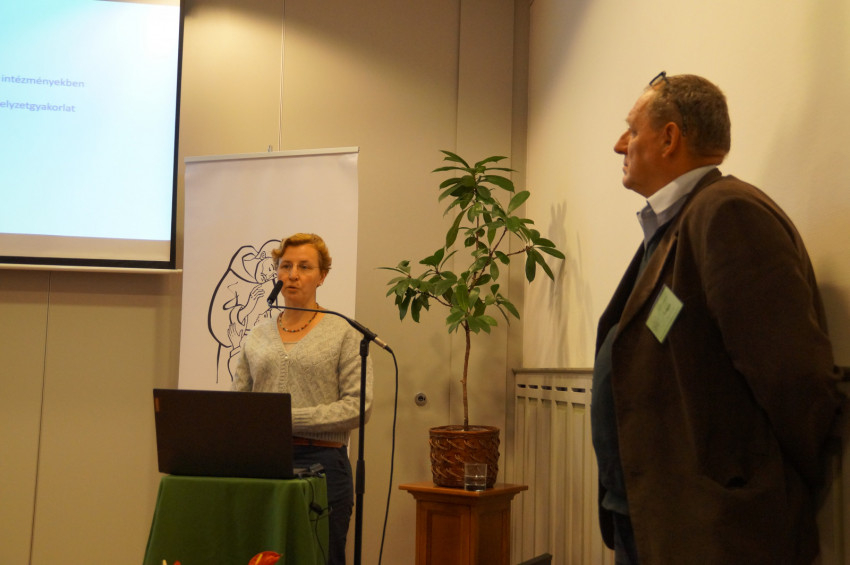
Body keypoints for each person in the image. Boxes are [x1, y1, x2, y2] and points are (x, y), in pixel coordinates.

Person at [591, 72, 845, 564]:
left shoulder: (727, 212)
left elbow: (792, 374)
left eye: (633, 130)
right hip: (655, 516)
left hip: (712, 528)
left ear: (669, 138)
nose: (620, 144)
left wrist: (755, 484)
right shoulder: (679, 221)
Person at [232, 232, 373, 565]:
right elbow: (238, 404)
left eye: (304, 267)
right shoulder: (257, 335)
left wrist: (286, 419)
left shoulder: (345, 333)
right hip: (263, 463)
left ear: (322, 276)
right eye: (286, 266)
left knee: (320, 557)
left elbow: (358, 407)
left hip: (324, 466)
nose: (293, 274)